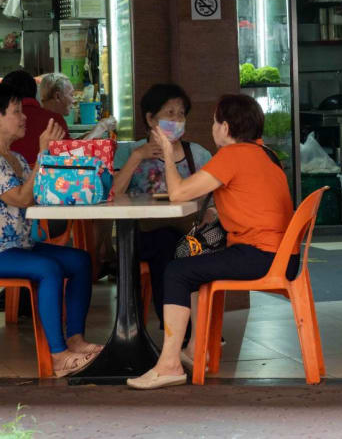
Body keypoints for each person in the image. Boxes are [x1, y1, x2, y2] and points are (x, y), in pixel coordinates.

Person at [127, 94, 295, 389]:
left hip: (260, 255)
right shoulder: (265, 154)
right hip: (281, 254)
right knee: (189, 255)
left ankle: (168, 364)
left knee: (177, 271)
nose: (212, 127)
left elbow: (178, 194)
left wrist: (167, 152)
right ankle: (194, 350)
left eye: (215, 121)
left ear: (227, 127)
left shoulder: (233, 155)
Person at [0, 82, 102, 376]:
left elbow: (37, 192)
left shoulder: (16, 159)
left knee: (80, 260)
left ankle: (75, 339)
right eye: (16, 112)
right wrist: (44, 154)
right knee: (48, 268)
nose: (24, 118)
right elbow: (20, 197)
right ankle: (57, 356)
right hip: (4, 251)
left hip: (21, 246)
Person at [113, 84, 212, 327]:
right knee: (165, 242)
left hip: (189, 230)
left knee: (190, 246)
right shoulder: (128, 152)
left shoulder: (197, 155)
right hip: (141, 235)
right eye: (169, 113)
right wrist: (138, 157)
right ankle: (179, 330)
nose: (177, 119)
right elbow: (112, 194)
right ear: (150, 117)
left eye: (181, 114)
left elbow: (216, 199)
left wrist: (209, 214)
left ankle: (196, 329)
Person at [3, 70, 69, 166]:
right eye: (16, 111)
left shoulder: (18, 158)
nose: (24, 117)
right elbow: (69, 154)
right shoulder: (54, 120)